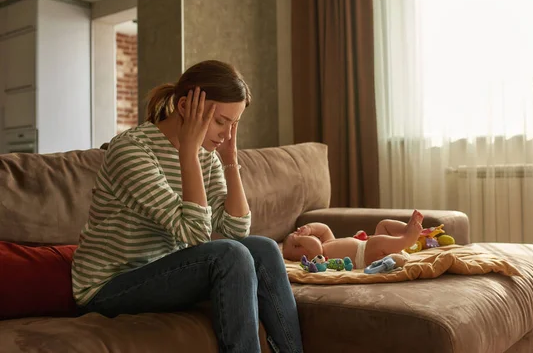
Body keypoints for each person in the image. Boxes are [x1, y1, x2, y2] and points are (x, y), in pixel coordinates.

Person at [71, 60, 303, 353]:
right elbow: (195, 233)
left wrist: (230, 160)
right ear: (184, 107)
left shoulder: (208, 155)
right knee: (229, 255)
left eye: (234, 124)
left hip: (162, 272)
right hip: (109, 286)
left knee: (264, 248)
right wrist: (189, 155)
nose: (226, 134)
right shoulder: (131, 150)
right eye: (221, 122)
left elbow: (236, 228)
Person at [282, 210, 424, 269]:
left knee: (383, 225)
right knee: (376, 241)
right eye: (297, 243)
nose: (300, 236)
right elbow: (314, 245)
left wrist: (310, 228)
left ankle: (406, 229)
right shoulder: (317, 258)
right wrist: (301, 238)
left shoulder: (327, 243)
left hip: (367, 246)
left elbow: (324, 229)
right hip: (365, 258)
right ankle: (407, 240)